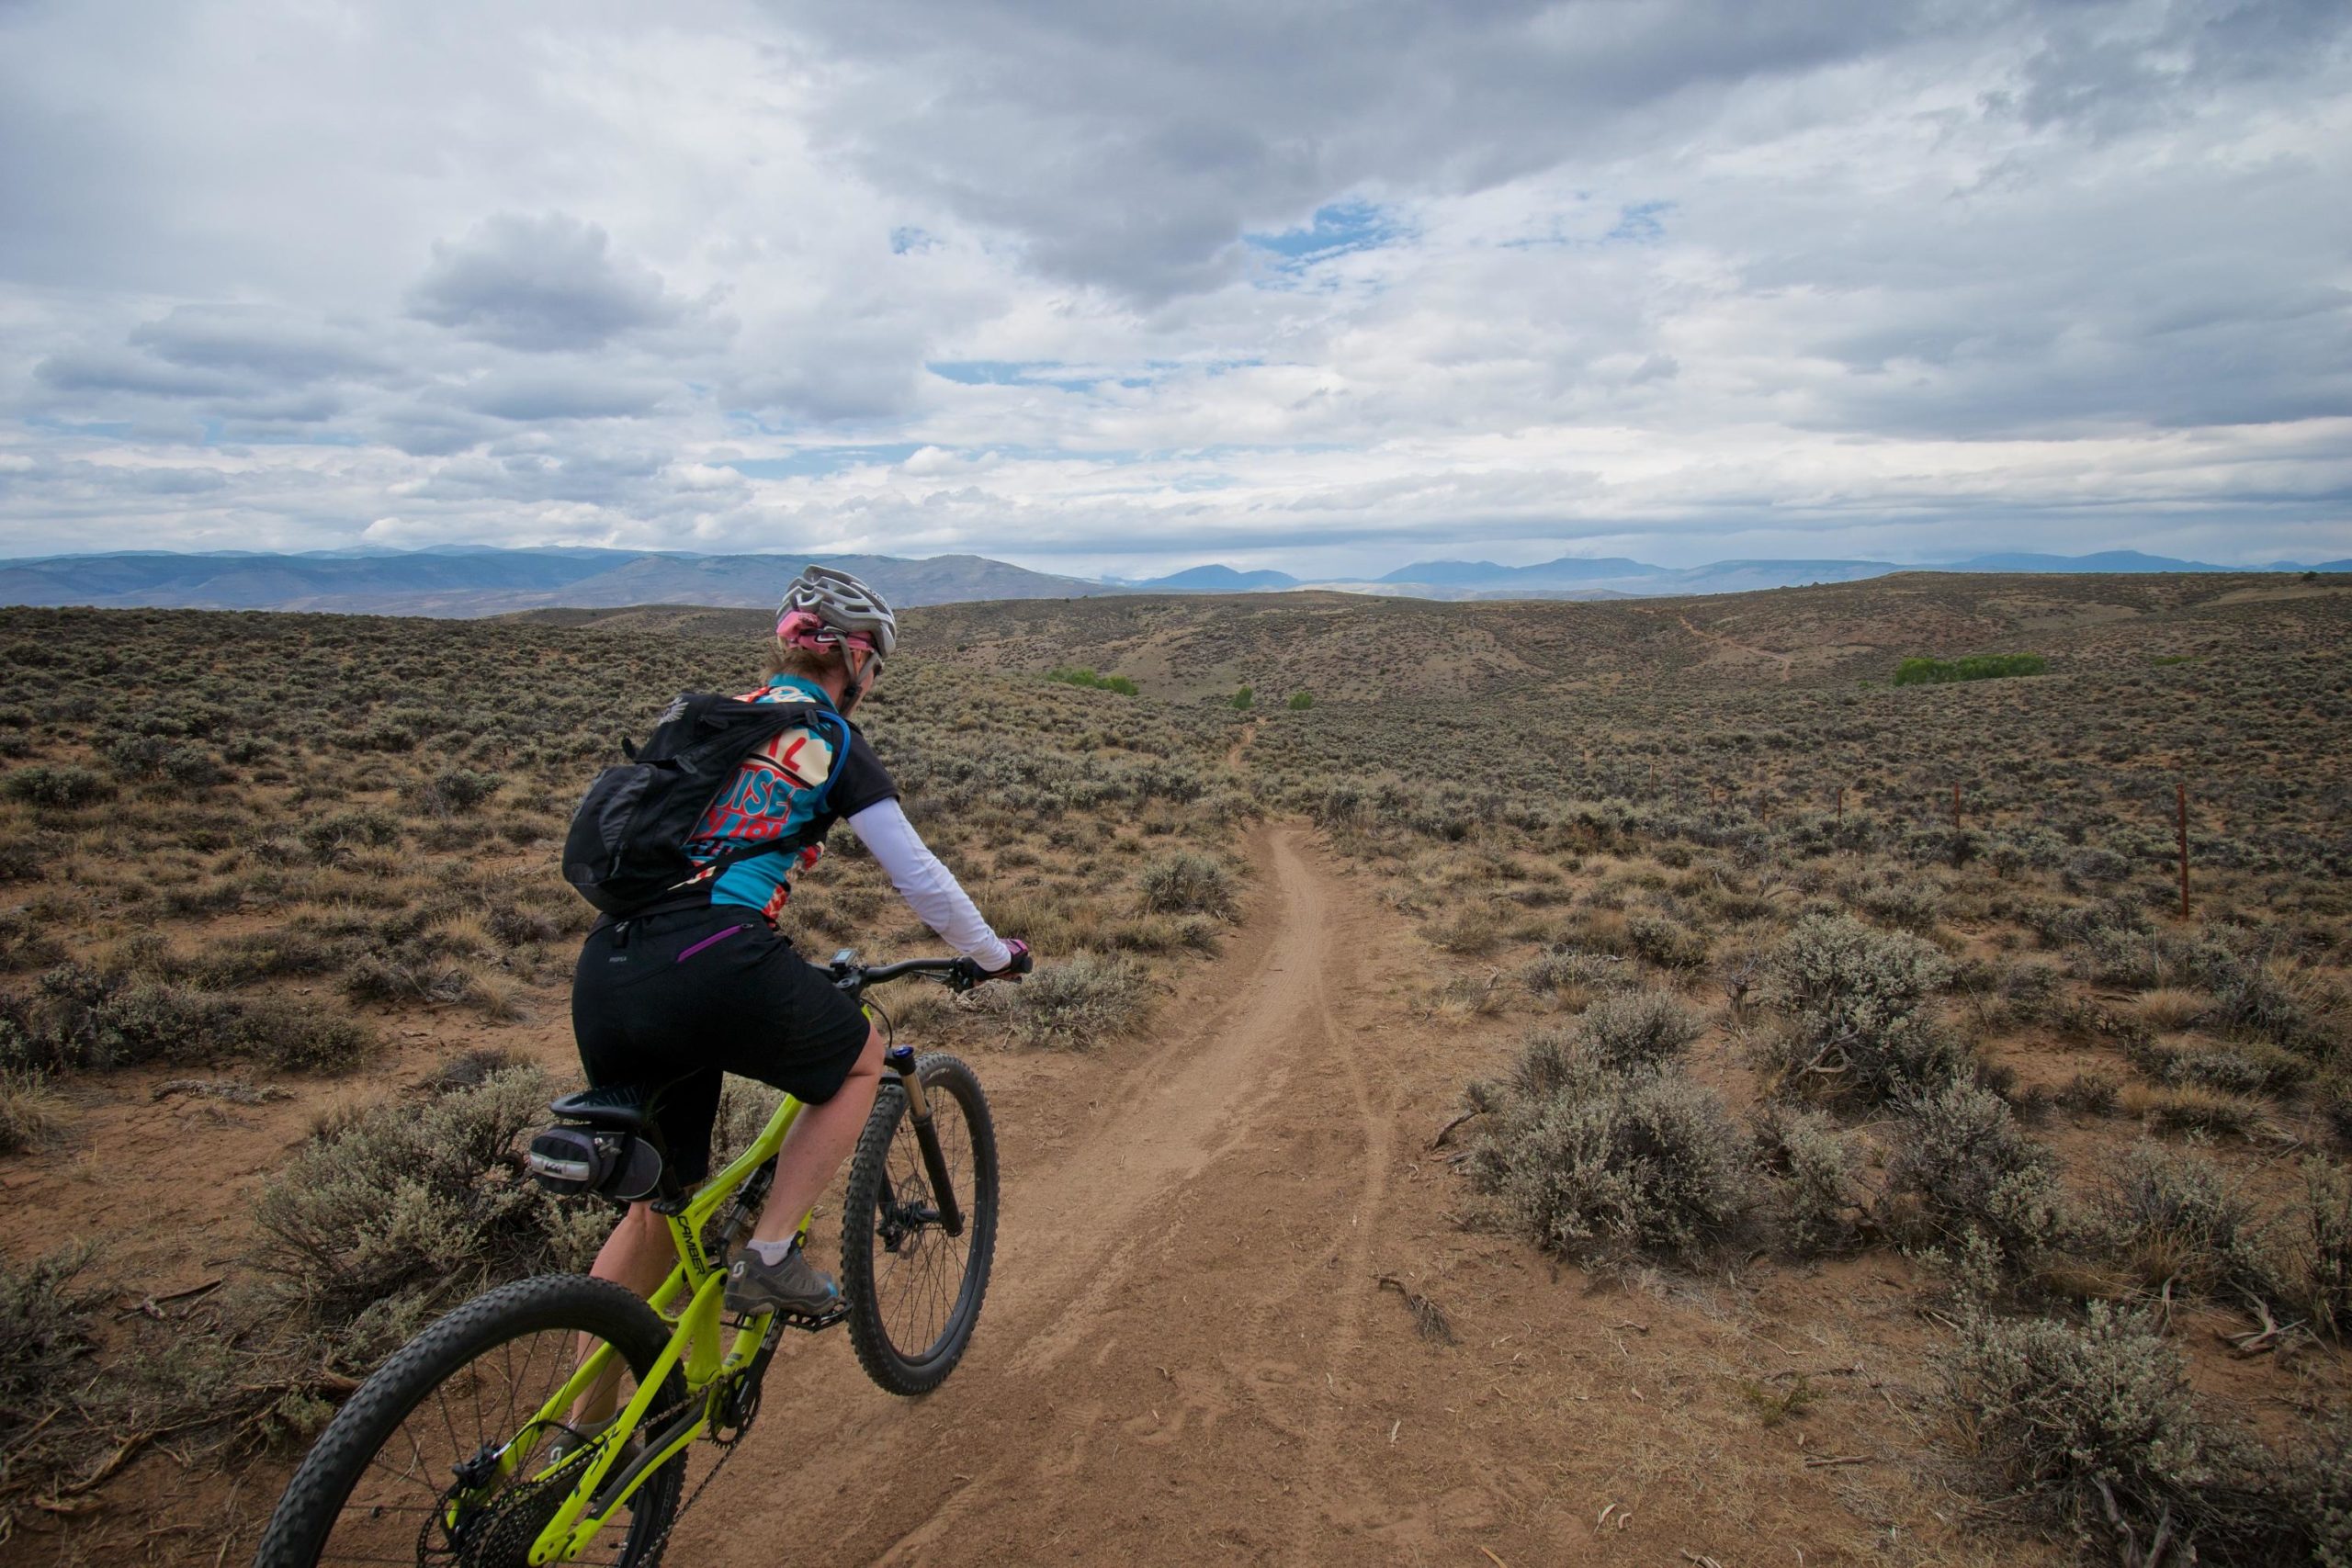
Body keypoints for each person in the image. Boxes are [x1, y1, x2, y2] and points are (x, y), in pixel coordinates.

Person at [568, 565, 1027, 1320]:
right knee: (860, 1060)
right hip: (710, 954)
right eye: (873, 665)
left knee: (654, 1211)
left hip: (609, 965)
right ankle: (772, 1252)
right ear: (853, 661)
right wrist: (991, 953)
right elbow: (920, 877)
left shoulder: (709, 721)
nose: (869, 680)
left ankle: (579, 1434)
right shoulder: (826, 736)